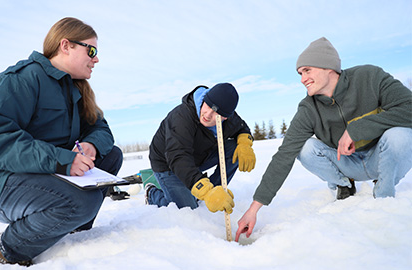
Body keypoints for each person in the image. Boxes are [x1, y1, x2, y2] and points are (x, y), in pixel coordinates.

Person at [0, 17, 123, 265]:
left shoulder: (75, 89)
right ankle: (8, 248)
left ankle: (66, 229)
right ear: (65, 45)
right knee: (84, 201)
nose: (96, 59)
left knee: (110, 155)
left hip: (39, 173)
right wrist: (63, 160)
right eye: (91, 50)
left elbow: (101, 128)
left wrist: (91, 145)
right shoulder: (20, 80)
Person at [235, 37, 412, 242]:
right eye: (300, 73)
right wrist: (254, 208)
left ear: (328, 67)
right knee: (305, 148)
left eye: (307, 70)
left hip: (382, 158)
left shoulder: (369, 77)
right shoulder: (308, 108)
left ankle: (384, 193)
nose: (302, 79)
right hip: (347, 163)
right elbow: (285, 154)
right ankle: (343, 186)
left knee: (401, 135)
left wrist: (357, 129)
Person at [144, 83, 256, 214]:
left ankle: (214, 191)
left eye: (216, 113)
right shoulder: (181, 117)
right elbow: (178, 156)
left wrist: (245, 144)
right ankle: (152, 194)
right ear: (204, 100)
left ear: (225, 117)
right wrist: (205, 191)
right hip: (169, 164)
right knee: (188, 210)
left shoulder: (226, 115)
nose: (208, 115)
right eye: (208, 106)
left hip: (198, 157)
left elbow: (242, 128)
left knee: (235, 148)